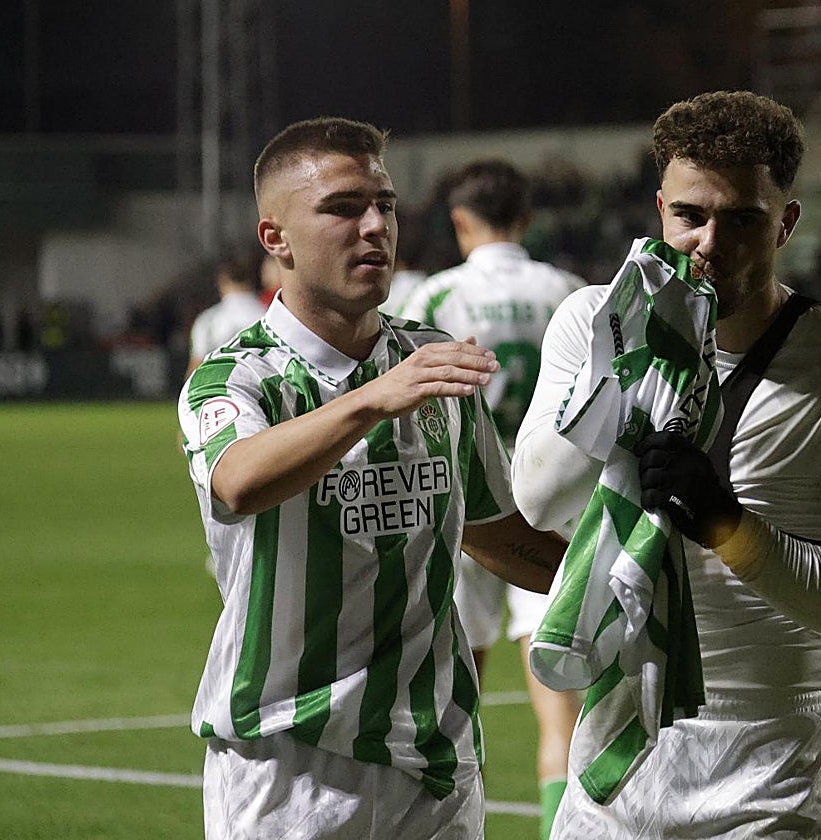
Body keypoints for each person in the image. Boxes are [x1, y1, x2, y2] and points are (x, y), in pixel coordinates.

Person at [511, 90, 821, 838]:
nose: (708, 243)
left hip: (768, 777)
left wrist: (728, 524)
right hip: (613, 772)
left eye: (741, 220)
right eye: (689, 216)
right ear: (659, 210)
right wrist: (630, 367)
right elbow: (539, 500)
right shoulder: (592, 323)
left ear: (786, 224)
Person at [177, 116, 567, 840]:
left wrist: (625, 576)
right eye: (342, 208)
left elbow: (494, 535)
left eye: (384, 205)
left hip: (437, 763)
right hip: (290, 765)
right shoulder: (238, 376)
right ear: (276, 239)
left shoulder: (431, 361)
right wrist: (370, 399)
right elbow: (238, 480)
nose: (374, 227)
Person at [399, 159, 585, 839]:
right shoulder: (568, 292)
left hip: (464, 506)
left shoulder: (434, 297)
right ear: (526, 218)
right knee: (562, 720)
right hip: (551, 505)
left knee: (453, 710)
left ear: (459, 221)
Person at [184, 249, 269, 378]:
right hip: (265, 382)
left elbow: (196, 365)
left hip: (222, 383)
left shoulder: (209, 319)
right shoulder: (269, 312)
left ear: (221, 282)